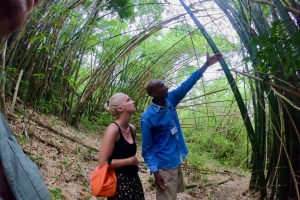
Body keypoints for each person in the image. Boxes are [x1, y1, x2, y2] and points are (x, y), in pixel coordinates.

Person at [140, 53, 222, 200]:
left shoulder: (170, 100)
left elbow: (187, 84)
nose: (167, 87)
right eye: (163, 86)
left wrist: (206, 65)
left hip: (176, 159)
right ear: (155, 93)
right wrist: (156, 172)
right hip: (164, 166)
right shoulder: (148, 118)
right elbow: (146, 150)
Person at [98, 93, 145, 200]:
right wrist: (128, 161)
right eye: (128, 100)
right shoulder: (113, 129)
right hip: (118, 184)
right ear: (120, 108)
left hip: (134, 181)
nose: (133, 101)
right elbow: (103, 163)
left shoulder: (132, 129)